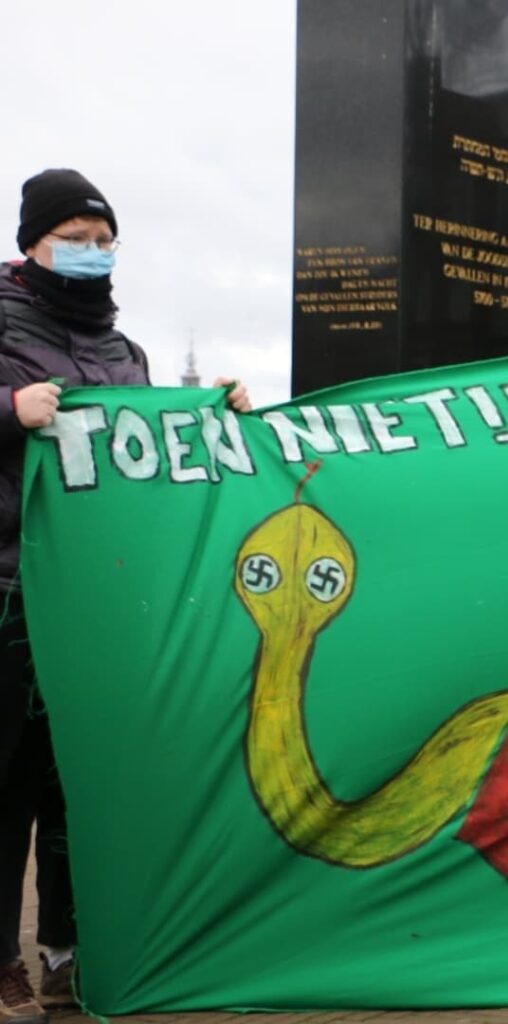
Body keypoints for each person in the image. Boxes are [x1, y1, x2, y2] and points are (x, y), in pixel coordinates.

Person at [0, 169, 251, 1024]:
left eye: (105, 242)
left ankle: (72, 952)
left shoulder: (124, 354)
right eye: (75, 238)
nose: (92, 255)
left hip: (101, 606)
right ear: (32, 243)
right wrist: (8, 408)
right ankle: (1, 960)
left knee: (84, 785)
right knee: (9, 781)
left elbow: (152, 459)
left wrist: (216, 414)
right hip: (12, 593)